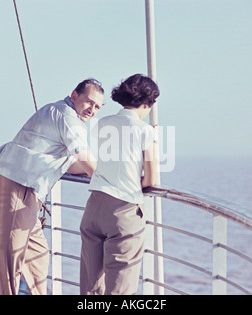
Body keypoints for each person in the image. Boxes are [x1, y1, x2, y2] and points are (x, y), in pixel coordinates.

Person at [0, 79, 104, 295]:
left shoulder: (60, 113)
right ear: (74, 95)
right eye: (89, 102)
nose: (92, 109)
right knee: (9, 259)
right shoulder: (68, 117)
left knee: (37, 255)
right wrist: (112, 180)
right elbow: (84, 157)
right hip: (16, 186)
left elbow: (71, 164)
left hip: (24, 189)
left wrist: (100, 170)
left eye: (97, 106)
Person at [80, 74, 160, 295]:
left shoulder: (102, 124)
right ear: (147, 103)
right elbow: (151, 179)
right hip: (123, 210)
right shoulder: (145, 130)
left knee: (90, 288)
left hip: (94, 207)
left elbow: (112, 158)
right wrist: (153, 139)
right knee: (120, 290)